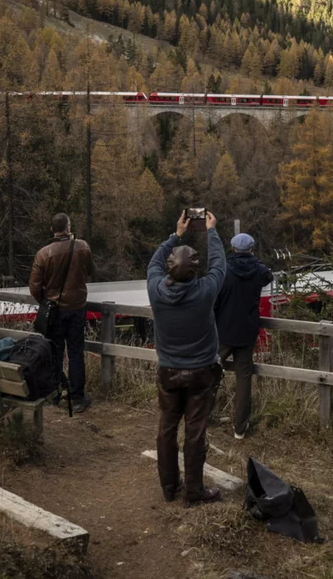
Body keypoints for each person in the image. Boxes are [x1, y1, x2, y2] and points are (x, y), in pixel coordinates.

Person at [148, 210, 226, 506]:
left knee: (166, 428)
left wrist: (176, 235)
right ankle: (194, 491)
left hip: (168, 371)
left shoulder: (156, 289)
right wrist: (211, 232)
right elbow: (219, 265)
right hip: (201, 373)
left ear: (169, 268)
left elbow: (154, 261)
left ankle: (169, 487)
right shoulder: (206, 290)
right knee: (195, 432)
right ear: (195, 270)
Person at [29, 213, 95, 413]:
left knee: (55, 353)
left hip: (55, 311)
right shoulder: (82, 247)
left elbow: (34, 286)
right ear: (68, 227)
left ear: (52, 230)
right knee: (76, 353)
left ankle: (56, 392)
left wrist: (46, 301)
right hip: (76, 308)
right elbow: (91, 271)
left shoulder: (43, 254)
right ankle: (77, 397)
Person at [213, 233, 273, 439]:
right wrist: (254, 261)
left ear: (232, 248)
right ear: (252, 249)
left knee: (209, 371)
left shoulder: (224, 271)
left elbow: (215, 300)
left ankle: (204, 415)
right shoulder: (259, 271)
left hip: (222, 331)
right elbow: (268, 275)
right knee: (244, 379)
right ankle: (240, 427)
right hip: (247, 333)